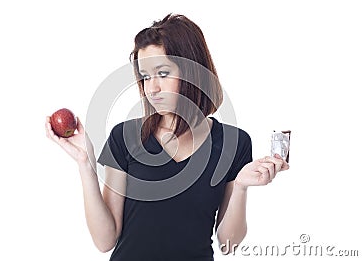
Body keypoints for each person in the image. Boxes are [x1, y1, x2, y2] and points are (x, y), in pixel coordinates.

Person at [45, 13, 289, 261]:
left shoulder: (234, 143)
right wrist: (85, 164)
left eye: (162, 74)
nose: (152, 88)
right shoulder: (125, 137)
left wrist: (241, 187)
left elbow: (228, 244)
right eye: (145, 76)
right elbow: (105, 240)